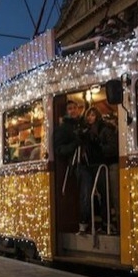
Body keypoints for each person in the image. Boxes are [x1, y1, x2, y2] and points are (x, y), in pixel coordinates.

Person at [80, 106, 119, 234]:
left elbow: (112, 147)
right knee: (89, 195)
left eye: (93, 115)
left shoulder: (104, 129)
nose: (90, 118)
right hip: (90, 165)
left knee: (105, 195)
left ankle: (106, 222)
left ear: (97, 116)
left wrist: (99, 148)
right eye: (88, 115)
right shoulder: (85, 131)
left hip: (102, 164)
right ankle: (91, 223)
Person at [54, 100, 88, 233]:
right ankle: (83, 222)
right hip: (77, 164)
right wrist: (75, 144)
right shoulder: (63, 128)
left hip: (91, 162)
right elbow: (59, 149)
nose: (73, 110)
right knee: (84, 192)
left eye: (75, 108)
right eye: (70, 108)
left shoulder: (84, 123)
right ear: (66, 111)